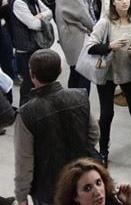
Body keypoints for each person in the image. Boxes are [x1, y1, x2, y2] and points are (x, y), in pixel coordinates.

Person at [14, 49, 100, 205]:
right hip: (83, 180)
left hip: (49, 189)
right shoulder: (79, 97)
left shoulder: (26, 114)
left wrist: (21, 196)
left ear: (32, 74)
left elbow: (24, 161)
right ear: (60, 70)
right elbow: (94, 134)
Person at [87, 0, 131, 165]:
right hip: (107, 74)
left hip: (129, 72)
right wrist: (109, 46)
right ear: (112, 2)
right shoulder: (105, 22)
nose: (124, 2)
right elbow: (90, 46)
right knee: (106, 114)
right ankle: (103, 151)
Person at [9, 0, 54, 105]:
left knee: (38, 82)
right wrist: (41, 19)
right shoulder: (18, 2)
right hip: (26, 49)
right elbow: (33, 25)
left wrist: (39, 16)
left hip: (36, 44)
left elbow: (49, 12)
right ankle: (24, 111)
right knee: (29, 83)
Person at [54, 0, 95, 93]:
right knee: (83, 74)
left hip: (70, 37)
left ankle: (73, 102)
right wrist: (96, 31)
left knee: (75, 72)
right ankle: (81, 104)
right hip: (76, 39)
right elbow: (85, 18)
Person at [53, 158, 131, 205]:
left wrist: (129, 203)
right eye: (88, 188)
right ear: (75, 197)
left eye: (98, 183)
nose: (98, 192)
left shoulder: (111, 202)